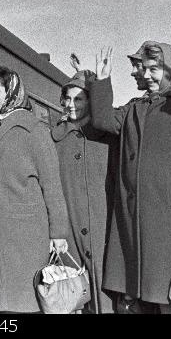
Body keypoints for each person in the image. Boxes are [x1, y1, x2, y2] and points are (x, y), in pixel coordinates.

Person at [89, 43, 171, 313]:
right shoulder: (137, 106)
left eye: (154, 69)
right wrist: (102, 81)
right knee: (142, 292)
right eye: (144, 69)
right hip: (135, 216)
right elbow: (102, 121)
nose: (146, 75)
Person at [0, 65, 69, 313]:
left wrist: (58, 233)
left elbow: (52, 185)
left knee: (24, 301)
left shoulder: (33, 130)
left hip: (25, 235)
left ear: (11, 92)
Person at [50, 61, 116, 313]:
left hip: (103, 226)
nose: (71, 104)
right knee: (73, 294)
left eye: (78, 99)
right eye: (67, 98)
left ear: (91, 101)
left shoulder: (108, 137)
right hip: (68, 231)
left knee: (105, 292)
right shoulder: (54, 138)